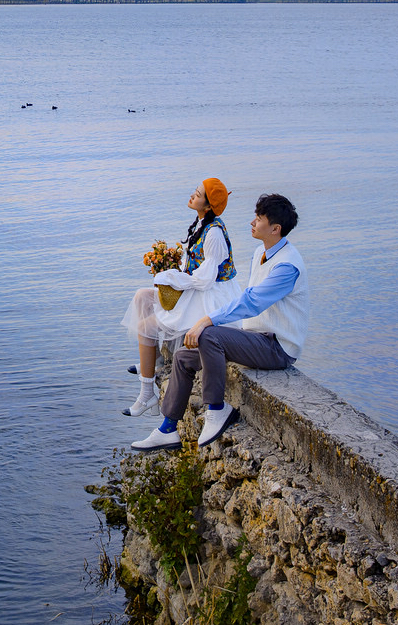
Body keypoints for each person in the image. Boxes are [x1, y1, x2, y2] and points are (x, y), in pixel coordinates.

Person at [131, 193, 306, 452]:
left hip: (276, 348)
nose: (252, 222)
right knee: (183, 357)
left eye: (258, 219)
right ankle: (168, 428)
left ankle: (217, 409)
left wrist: (206, 319)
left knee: (207, 334)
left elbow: (252, 302)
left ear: (275, 228)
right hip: (256, 338)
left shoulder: (287, 266)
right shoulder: (262, 252)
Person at [120, 178, 241, 418]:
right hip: (197, 289)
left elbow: (206, 278)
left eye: (197, 194)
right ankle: (151, 365)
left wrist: (174, 279)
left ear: (207, 206)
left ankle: (147, 396)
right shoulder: (201, 223)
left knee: (145, 327)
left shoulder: (214, 233)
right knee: (142, 297)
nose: (192, 196)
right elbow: (192, 265)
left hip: (209, 297)